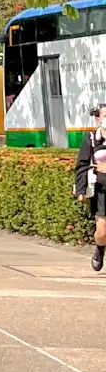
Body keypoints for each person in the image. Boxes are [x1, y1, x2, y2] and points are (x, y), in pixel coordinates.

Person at [75, 104, 106, 273]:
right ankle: (100, 249)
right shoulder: (91, 138)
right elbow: (82, 164)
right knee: (101, 232)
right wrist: (80, 190)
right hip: (102, 189)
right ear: (98, 119)